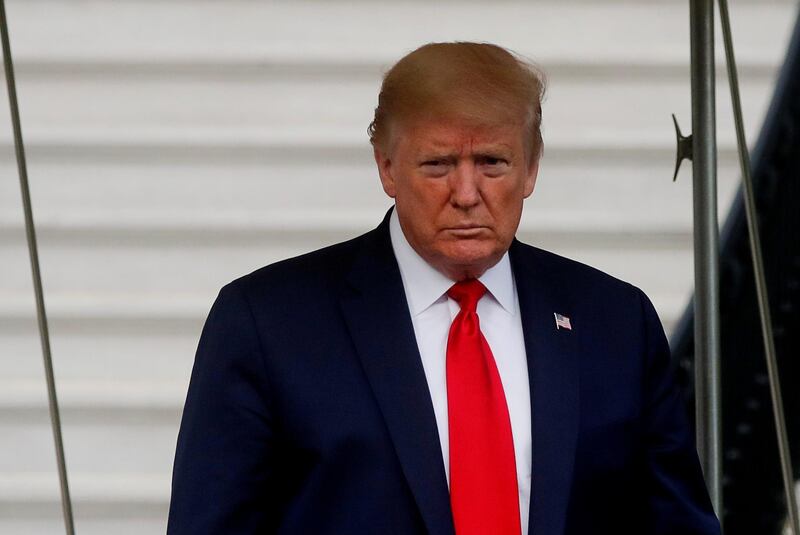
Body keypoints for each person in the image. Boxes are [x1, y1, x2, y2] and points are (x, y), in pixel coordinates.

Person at [167, 42, 721, 535]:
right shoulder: (269, 323)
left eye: (492, 162)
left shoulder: (615, 321)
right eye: (437, 164)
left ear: (531, 169)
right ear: (386, 168)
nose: (466, 192)